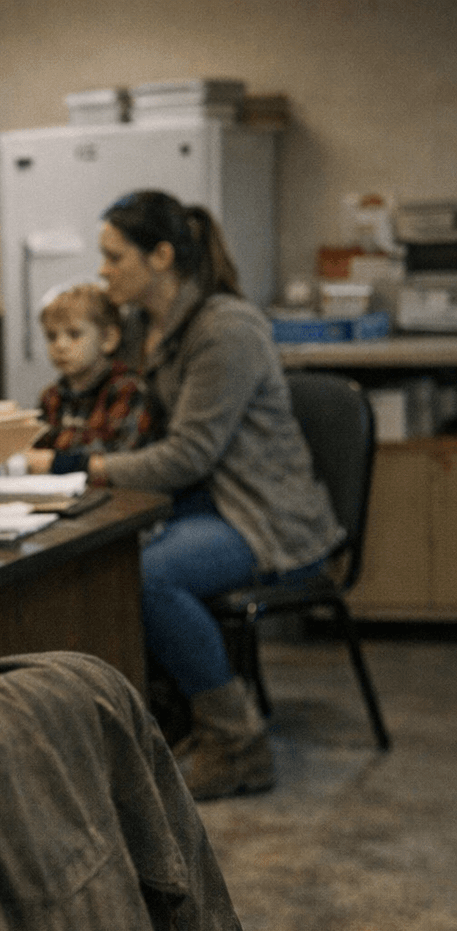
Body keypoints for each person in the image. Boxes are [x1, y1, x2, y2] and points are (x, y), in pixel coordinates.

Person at [73, 190, 342, 800]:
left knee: (145, 576)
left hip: (265, 516)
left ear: (161, 256)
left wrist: (82, 467)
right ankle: (160, 723)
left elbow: (189, 454)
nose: (103, 269)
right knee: (94, 554)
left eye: (114, 256)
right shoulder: (146, 325)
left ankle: (236, 743)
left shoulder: (227, 328)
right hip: (206, 504)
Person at [22, 282, 158, 474]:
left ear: (107, 339)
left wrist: (55, 457)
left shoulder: (127, 389)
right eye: (51, 336)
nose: (60, 345)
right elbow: (35, 449)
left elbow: (120, 454)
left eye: (74, 334)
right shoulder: (51, 396)